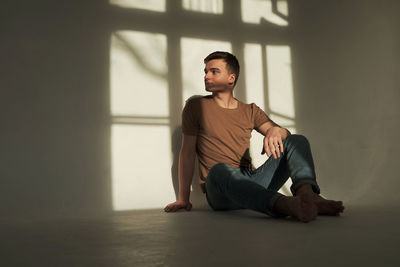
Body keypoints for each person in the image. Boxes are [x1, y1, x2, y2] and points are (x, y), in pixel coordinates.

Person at [164, 51, 344, 222]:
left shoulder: (250, 110)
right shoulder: (196, 106)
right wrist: (183, 198)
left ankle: (307, 195)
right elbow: (187, 153)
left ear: (231, 78)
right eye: (205, 72)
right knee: (219, 170)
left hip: (252, 179)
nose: (206, 76)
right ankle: (284, 204)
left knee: (298, 140)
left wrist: (276, 130)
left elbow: (283, 135)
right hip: (220, 189)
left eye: (214, 71)